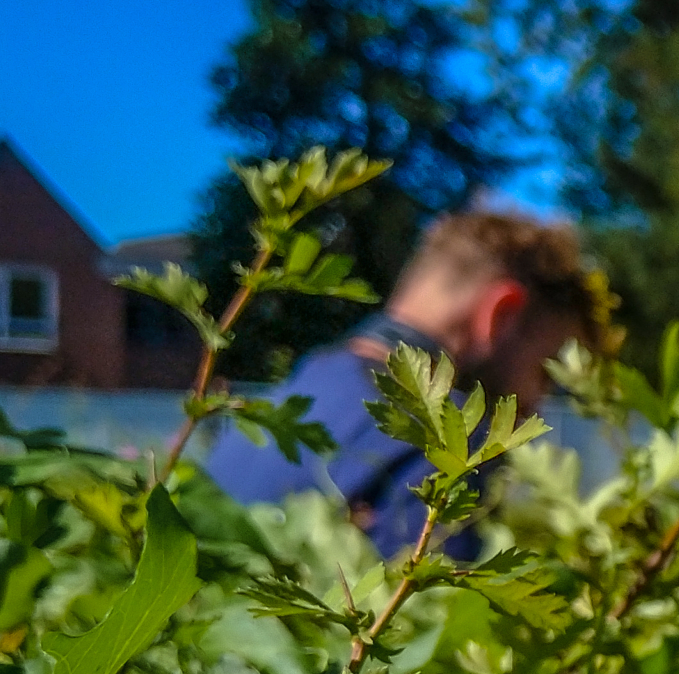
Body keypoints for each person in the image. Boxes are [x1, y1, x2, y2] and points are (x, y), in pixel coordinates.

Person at [204, 212, 602, 558]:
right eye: (546, 374)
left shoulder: (274, 405)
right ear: (501, 314)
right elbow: (415, 636)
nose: (538, 406)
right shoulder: (446, 445)